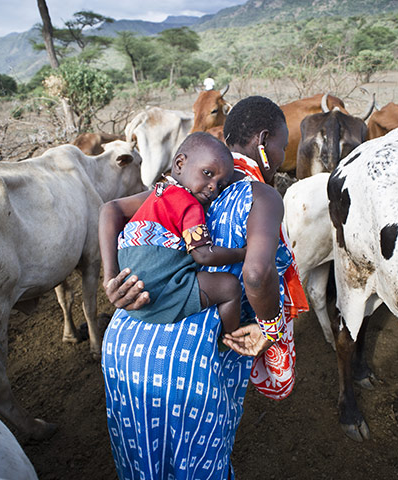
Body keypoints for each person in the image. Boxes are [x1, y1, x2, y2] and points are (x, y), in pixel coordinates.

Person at [99, 95, 309, 479]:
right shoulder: (261, 195)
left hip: (124, 346)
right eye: (282, 144)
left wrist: (110, 279)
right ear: (264, 142)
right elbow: (256, 274)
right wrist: (271, 329)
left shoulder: (175, 186)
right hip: (188, 364)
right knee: (198, 468)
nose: (283, 154)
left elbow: (111, 210)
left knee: (142, 464)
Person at [101, 132, 244, 335]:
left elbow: (110, 209)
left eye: (221, 185)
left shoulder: (157, 194)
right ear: (179, 164)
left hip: (131, 292)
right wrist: (242, 253)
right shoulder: (190, 205)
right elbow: (203, 254)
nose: (213, 187)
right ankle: (229, 339)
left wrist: (110, 275)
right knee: (230, 288)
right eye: (208, 173)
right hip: (159, 297)